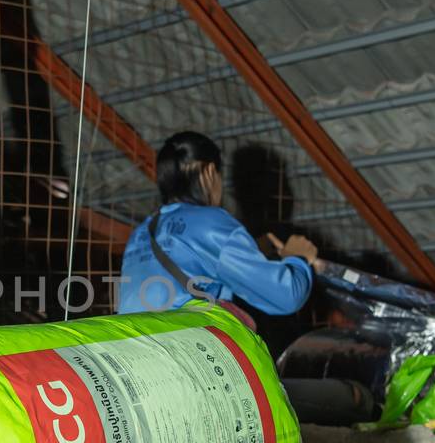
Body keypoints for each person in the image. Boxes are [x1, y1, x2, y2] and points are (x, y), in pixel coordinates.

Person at [117, 131, 321, 315]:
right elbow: (286, 296)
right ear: (209, 172)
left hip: (129, 347)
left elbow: (186, 261)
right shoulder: (212, 222)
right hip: (178, 348)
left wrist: (254, 249)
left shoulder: (141, 232)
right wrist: (298, 258)